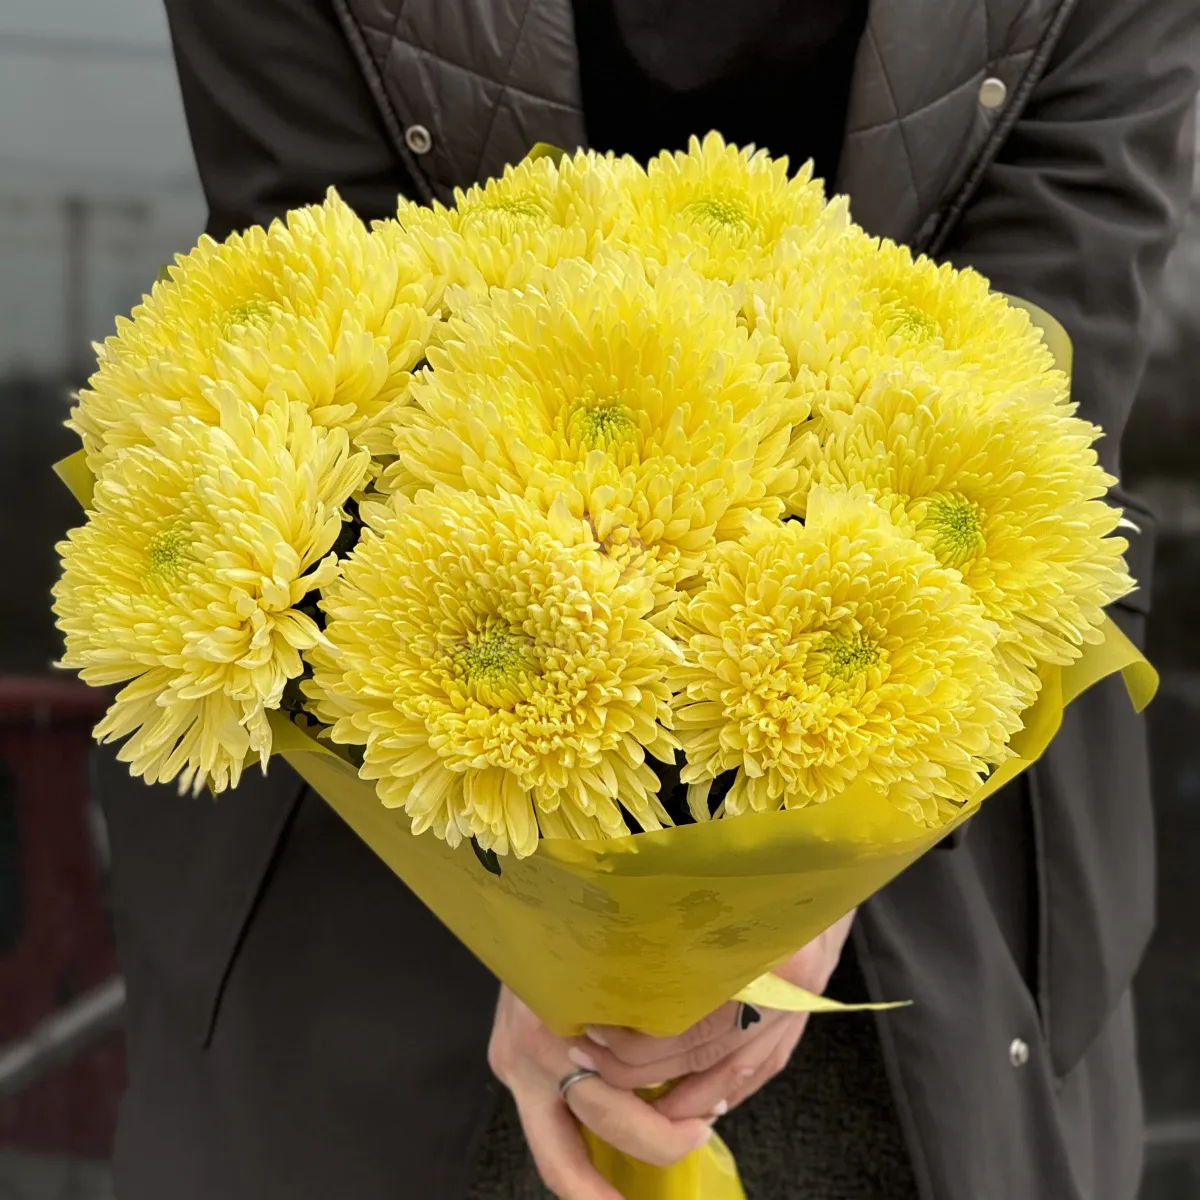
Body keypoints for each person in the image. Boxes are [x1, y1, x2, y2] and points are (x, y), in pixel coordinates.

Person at [95, 1, 1199, 1197]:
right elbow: (315, 294)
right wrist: (558, 915)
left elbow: (1045, 370)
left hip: (931, 876)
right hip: (393, 862)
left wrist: (803, 864)